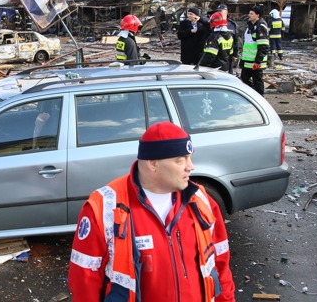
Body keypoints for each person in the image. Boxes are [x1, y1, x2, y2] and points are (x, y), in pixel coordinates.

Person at [68, 121, 235, 302]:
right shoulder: (104, 206)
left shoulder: (201, 199)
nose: (191, 166)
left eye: (190, 157)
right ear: (153, 164)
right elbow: (84, 280)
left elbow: (220, 263)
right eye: (181, 160)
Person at [240, 5, 270, 95]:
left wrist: (258, 61)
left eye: (251, 14)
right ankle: (252, 95)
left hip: (256, 61)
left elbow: (263, 46)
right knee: (244, 79)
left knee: (257, 81)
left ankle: (259, 97)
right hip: (248, 60)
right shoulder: (251, 25)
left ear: (258, 15)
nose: (249, 15)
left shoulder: (260, 27)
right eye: (249, 13)